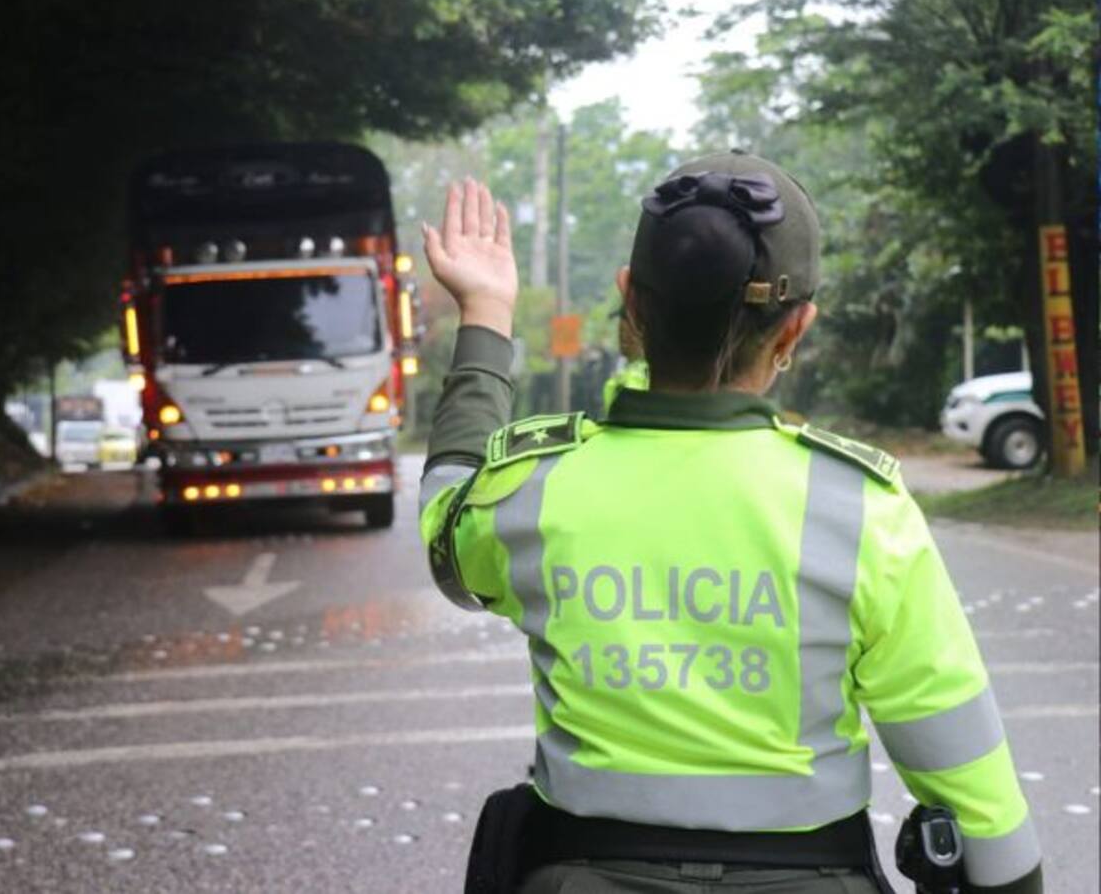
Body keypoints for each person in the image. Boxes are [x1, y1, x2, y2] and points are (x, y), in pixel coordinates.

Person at [418, 153, 1042, 894]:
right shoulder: (859, 505)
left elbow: (445, 525)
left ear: (630, 302)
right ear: (794, 330)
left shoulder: (536, 488)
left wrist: (486, 314)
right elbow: (960, 752)